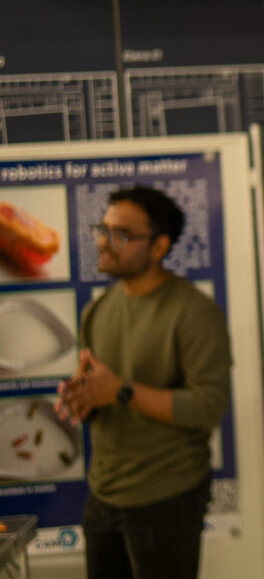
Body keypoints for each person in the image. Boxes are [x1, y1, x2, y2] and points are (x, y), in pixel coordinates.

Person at [56, 185, 232, 579]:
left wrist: (120, 390)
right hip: (102, 494)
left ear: (158, 246)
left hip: (166, 497)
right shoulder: (98, 311)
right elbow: (99, 388)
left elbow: (207, 407)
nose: (104, 241)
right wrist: (81, 397)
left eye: (120, 234)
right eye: (102, 229)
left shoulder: (195, 312)